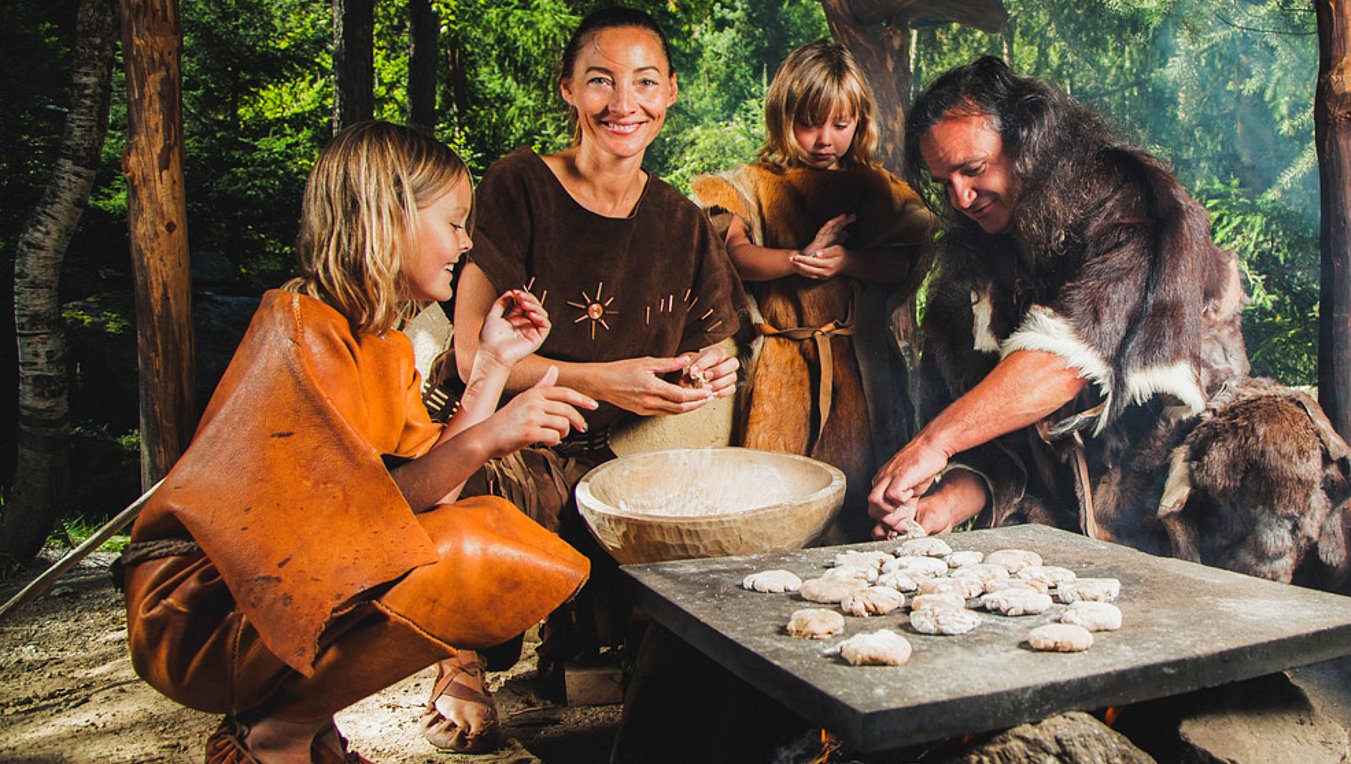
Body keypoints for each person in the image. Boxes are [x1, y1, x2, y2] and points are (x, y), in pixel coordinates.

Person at [120, 121, 593, 764]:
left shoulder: (383, 344)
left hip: (264, 595)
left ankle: (302, 725)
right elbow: (354, 520)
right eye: (453, 223)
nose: (467, 242)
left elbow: (437, 487)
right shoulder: (299, 332)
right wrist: (491, 435)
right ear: (388, 219)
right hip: (198, 611)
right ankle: (280, 729)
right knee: (472, 551)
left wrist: (493, 366)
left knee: (490, 531)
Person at [869, 57, 1351, 579]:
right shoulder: (967, 274)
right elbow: (995, 446)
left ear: (1028, 145)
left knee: (1272, 446)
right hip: (1072, 516)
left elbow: (1068, 359)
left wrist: (934, 442)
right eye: (944, 182)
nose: (960, 198)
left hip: (1188, 492)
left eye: (973, 169)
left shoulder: (1132, 198)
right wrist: (939, 506)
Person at [429, 6, 745, 751]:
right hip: (494, 428)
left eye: (643, 82)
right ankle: (457, 661)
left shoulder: (681, 219)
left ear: (670, 93)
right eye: (600, 81)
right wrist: (605, 380)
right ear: (568, 89)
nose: (622, 103)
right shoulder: (520, 184)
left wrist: (708, 369)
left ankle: (598, 647)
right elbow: (475, 352)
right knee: (476, 486)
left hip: (606, 447)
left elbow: (717, 340)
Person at [691, 40, 934, 541]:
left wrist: (846, 260)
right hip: (781, 365)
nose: (825, 139)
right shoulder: (750, 183)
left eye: (840, 125)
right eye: (810, 123)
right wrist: (797, 261)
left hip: (861, 368)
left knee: (862, 495)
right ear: (783, 117)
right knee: (773, 497)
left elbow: (902, 263)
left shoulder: (877, 188)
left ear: (859, 122)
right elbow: (734, 255)